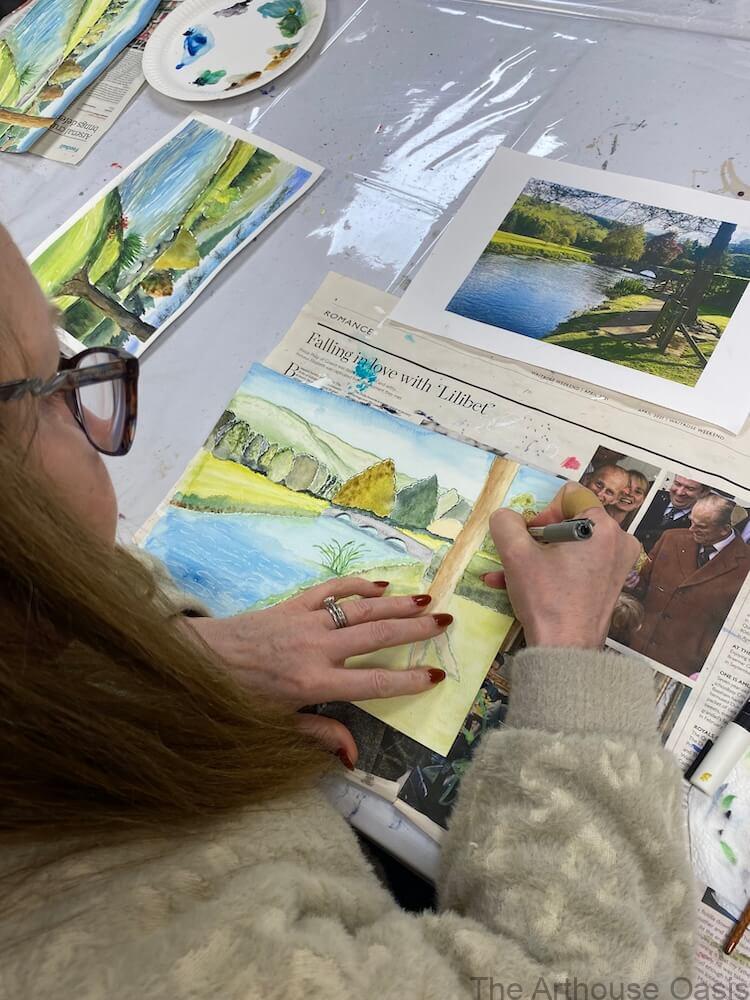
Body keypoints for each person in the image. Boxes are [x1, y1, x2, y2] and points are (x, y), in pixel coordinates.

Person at [0, 223, 693, 997]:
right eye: (53, 390)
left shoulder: (34, 644)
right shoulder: (120, 952)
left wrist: (156, 673)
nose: (86, 418)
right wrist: (569, 651)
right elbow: (599, 983)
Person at [627, 495, 750, 677]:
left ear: (725, 529)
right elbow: (643, 585)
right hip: (635, 647)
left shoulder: (746, 566)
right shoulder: (671, 538)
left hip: (682, 668)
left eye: (701, 527)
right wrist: (632, 584)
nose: (691, 529)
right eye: (692, 521)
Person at [635, 474, 711, 553]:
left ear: (704, 492)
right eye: (677, 484)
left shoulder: (699, 523)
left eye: (690, 488)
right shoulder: (650, 496)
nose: (679, 492)